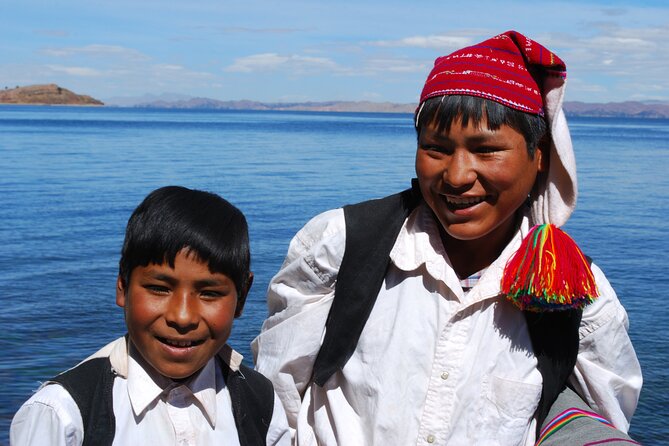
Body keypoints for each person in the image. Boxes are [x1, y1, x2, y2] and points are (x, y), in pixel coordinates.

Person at [252, 31, 642, 445]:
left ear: (539, 154)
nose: (457, 176)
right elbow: (277, 400)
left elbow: (601, 421)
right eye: (435, 148)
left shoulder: (579, 295)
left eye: (487, 149)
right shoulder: (341, 245)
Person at [11, 186, 290, 446]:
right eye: (159, 289)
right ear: (122, 285)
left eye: (209, 293)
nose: (182, 317)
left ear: (241, 296)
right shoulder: (65, 414)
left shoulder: (260, 402)